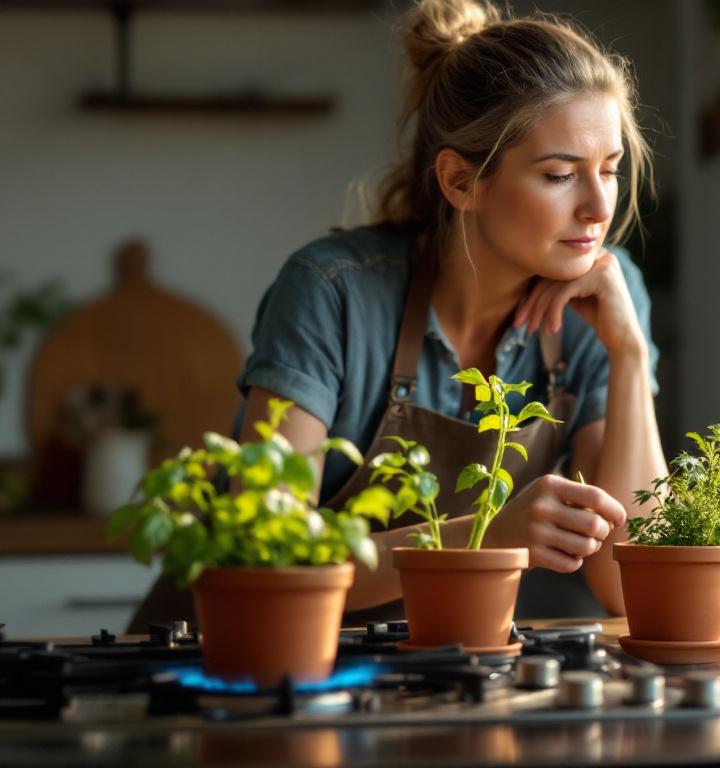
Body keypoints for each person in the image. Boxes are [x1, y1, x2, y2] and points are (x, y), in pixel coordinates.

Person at [129, 0, 666, 631]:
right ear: (460, 182)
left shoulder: (604, 298)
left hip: (414, 665)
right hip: (224, 652)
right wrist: (486, 534)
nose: (599, 207)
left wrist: (629, 354)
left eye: (609, 170)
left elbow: (631, 588)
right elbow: (268, 561)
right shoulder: (331, 292)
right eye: (559, 175)